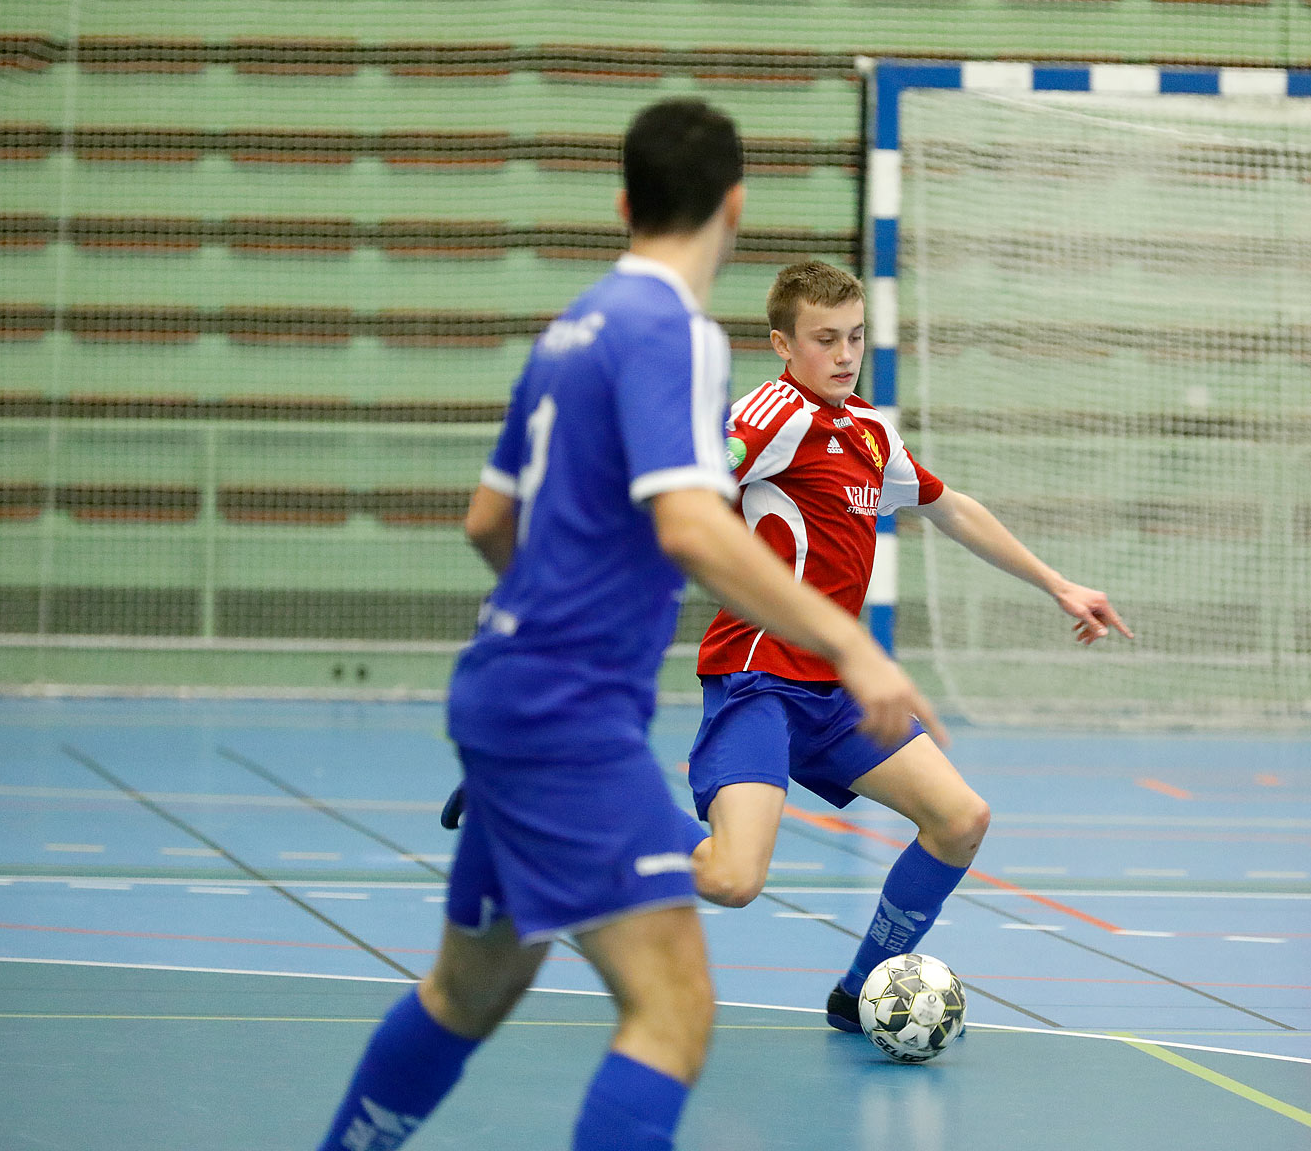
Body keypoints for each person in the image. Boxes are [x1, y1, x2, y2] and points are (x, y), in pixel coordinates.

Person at [315, 101, 943, 1151]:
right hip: (566, 716)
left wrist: (542, 629)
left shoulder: (573, 327)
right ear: (734, 207)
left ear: (623, 203)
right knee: (674, 1008)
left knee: (465, 997)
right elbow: (693, 526)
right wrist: (846, 643)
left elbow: (487, 522)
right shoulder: (677, 334)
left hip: (503, 697)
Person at [685, 260, 1132, 1031]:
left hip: (835, 692)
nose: (845, 353)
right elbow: (684, 488)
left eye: (855, 336)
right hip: (760, 678)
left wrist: (1057, 584)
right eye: (824, 339)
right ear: (782, 344)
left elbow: (950, 507)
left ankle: (859, 994)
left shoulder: (866, 432)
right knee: (732, 880)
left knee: (960, 819)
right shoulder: (772, 414)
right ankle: (574, 810)